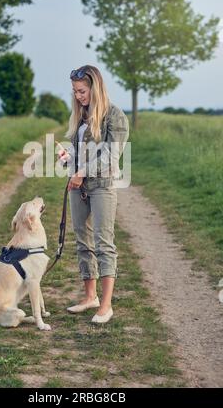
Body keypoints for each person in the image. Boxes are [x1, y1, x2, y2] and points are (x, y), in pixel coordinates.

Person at [57, 65, 129, 324]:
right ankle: (90, 297)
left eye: (82, 91)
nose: (78, 96)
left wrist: (83, 172)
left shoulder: (115, 116)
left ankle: (106, 306)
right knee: (82, 241)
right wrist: (68, 159)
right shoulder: (81, 116)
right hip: (79, 186)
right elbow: (80, 154)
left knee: (103, 243)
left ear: (95, 87)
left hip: (102, 186)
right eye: (75, 92)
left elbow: (111, 156)